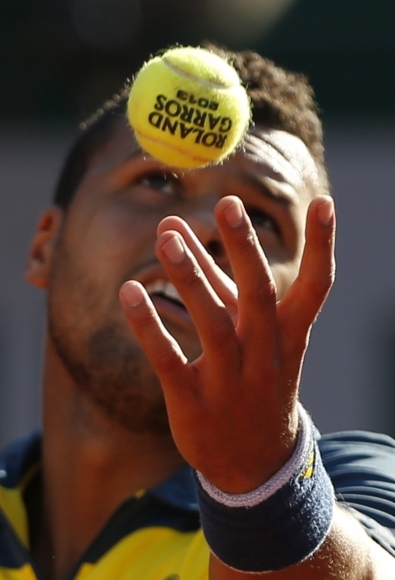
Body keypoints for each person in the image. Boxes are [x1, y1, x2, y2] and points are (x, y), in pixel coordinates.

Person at [0, 43, 394, 580]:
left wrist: (262, 485)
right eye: (157, 180)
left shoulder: (358, 483)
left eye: (260, 218)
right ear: (45, 243)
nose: (209, 226)